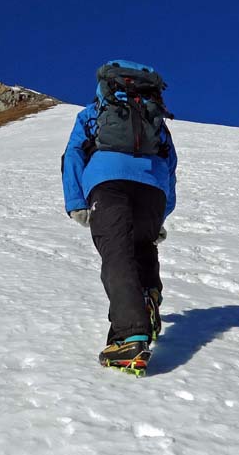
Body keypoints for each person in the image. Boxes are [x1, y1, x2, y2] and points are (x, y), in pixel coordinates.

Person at [61, 60, 177, 375]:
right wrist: (162, 214)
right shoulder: (153, 118)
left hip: (108, 184)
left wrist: (75, 201)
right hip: (152, 191)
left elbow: (73, 154)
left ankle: (130, 336)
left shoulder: (92, 113)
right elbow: (170, 163)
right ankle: (148, 293)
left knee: (117, 253)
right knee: (143, 244)